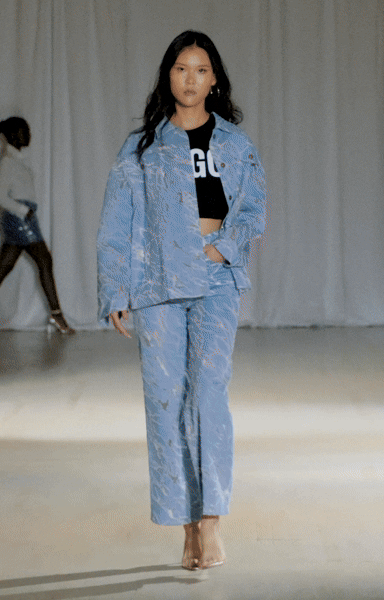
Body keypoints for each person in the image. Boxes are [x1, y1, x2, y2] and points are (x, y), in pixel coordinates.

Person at [97, 30, 266, 570]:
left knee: (208, 396)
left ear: (214, 80)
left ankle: (211, 520)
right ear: (167, 76)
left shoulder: (235, 143)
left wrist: (223, 248)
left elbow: (253, 208)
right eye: (180, 68)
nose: (190, 79)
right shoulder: (142, 147)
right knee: (165, 400)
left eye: (201, 69)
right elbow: (117, 220)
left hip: (216, 279)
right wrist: (115, 288)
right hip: (158, 283)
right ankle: (186, 524)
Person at [0, 117, 74, 334]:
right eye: (23, 131)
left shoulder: (16, 160)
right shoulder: (7, 162)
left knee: (3, 268)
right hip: (20, 219)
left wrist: (26, 212)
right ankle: (57, 315)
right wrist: (23, 211)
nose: (28, 135)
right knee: (44, 260)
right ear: (12, 135)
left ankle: (57, 315)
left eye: (27, 130)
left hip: (24, 218)